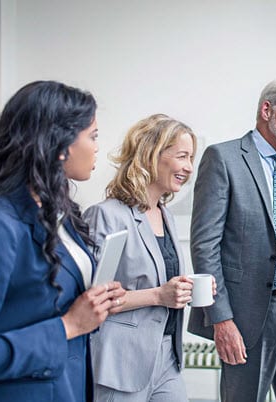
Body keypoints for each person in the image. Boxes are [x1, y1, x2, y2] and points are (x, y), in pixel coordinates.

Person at [0, 80, 125, 402]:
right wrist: (67, 326)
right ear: (60, 144)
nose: (97, 147)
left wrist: (95, 301)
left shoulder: (57, 212)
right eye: (92, 136)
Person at [188, 76, 276, 402]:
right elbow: (205, 245)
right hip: (246, 315)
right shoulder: (223, 158)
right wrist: (221, 319)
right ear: (266, 110)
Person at [84, 114, 203, 401]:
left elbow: (162, 281)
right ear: (152, 156)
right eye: (182, 156)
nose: (189, 167)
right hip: (121, 362)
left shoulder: (166, 215)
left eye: (191, 158)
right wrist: (160, 295)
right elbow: (92, 299)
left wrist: (184, 289)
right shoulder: (107, 215)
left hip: (167, 357)